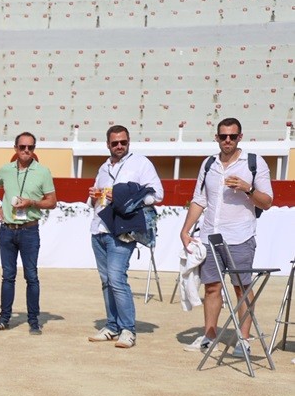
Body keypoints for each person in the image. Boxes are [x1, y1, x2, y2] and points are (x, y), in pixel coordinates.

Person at [179, 117, 273, 357]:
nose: (227, 140)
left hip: (240, 236)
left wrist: (247, 188)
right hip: (211, 235)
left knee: (242, 288)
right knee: (211, 287)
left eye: (232, 136)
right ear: (217, 138)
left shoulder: (253, 163)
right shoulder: (208, 164)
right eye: (223, 136)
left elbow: (268, 202)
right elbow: (199, 200)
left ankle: (244, 339)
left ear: (240, 137)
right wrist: (185, 230)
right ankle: (209, 337)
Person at [86, 126, 164, 349]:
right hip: (99, 228)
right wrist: (94, 196)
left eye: (123, 142)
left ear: (128, 142)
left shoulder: (141, 163)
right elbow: (95, 201)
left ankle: (128, 329)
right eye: (115, 143)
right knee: (106, 281)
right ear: (108, 144)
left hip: (123, 230)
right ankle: (112, 326)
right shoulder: (103, 168)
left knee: (116, 278)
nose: (119, 146)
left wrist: (124, 197)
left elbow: (157, 194)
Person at [0, 132, 56, 334]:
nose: (27, 151)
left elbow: (52, 202)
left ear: (34, 150)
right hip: (7, 229)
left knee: (31, 276)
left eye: (31, 148)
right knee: (7, 276)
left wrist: (32, 202)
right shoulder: (5, 170)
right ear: (15, 148)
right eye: (23, 147)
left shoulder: (43, 171)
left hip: (29, 230)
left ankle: (34, 321)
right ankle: (3, 319)